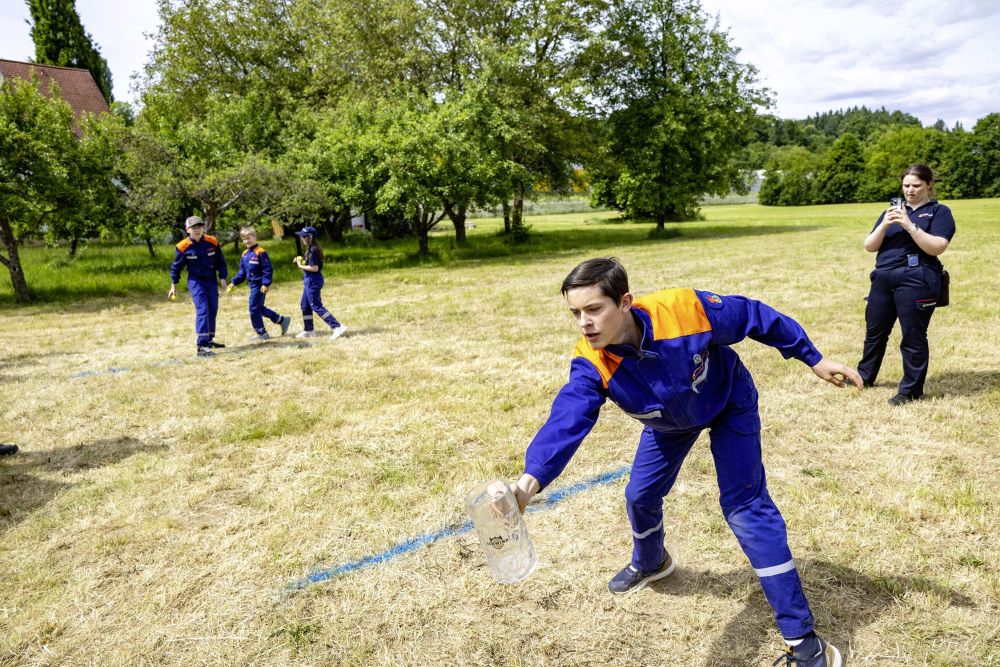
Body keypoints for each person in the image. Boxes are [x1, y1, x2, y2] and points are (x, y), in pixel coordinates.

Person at [508, 258, 857, 667]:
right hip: (667, 424)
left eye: (593, 309)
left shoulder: (684, 311)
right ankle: (651, 561)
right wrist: (527, 484)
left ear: (624, 303)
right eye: (575, 313)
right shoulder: (593, 361)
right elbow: (567, 419)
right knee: (640, 495)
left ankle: (807, 644)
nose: (584, 323)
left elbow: (754, 315)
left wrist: (813, 358)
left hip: (729, 402)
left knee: (746, 510)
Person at [857, 164, 955, 405]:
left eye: (916, 185)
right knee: (874, 333)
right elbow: (869, 246)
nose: (910, 190)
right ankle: (864, 377)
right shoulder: (890, 212)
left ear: (929, 185)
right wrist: (885, 225)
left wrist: (910, 225)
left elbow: (937, 246)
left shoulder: (939, 212)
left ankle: (910, 390)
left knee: (912, 335)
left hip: (917, 278)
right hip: (882, 277)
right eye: (906, 185)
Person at [168, 216, 229, 357]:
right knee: (203, 309)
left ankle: (209, 339)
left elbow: (221, 261)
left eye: (199, 227)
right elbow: (176, 268)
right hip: (196, 282)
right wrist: (173, 285)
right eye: (193, 227)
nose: (197, 230)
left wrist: (223, 276)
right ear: (187, 230)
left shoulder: (212, 241)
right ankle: (201, 346)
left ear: (203, 228)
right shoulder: (183, 246)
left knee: (213, 308)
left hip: (211, 280)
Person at [227, 226, 292, 341]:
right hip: (252, 285)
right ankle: (282, 320)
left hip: (259, 286)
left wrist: (265, 284)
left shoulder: (261, 252)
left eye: (249, 238)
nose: (247, 241)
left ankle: (262, 333)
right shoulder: (245, 254)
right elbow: (242, 271)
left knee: (253, 308)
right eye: (244, 239)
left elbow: (267, 269)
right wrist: (234, 282)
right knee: (258, 308)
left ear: (255, 237)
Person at [292, 226, 347, 340]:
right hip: (309, 281)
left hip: (313, 281)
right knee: (305, 305)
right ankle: (309, 330)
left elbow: (314, 268)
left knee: (316, 306)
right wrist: (300, 259)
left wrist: (300, 265)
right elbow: (311, 263)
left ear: (310, 237)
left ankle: (337, 326)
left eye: (303, 236)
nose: (301, 238)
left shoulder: (313, 250)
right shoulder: (310, 249)